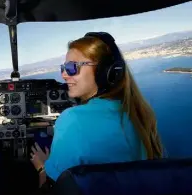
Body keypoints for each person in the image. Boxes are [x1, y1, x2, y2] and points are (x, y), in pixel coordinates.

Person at [30, 32, 164, 187]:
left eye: (72, 67)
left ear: (104, 71)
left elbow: (53, 187)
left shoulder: (72, 120)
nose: (64, 75)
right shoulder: (142, 115)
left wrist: (42, 167)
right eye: (63, 68)